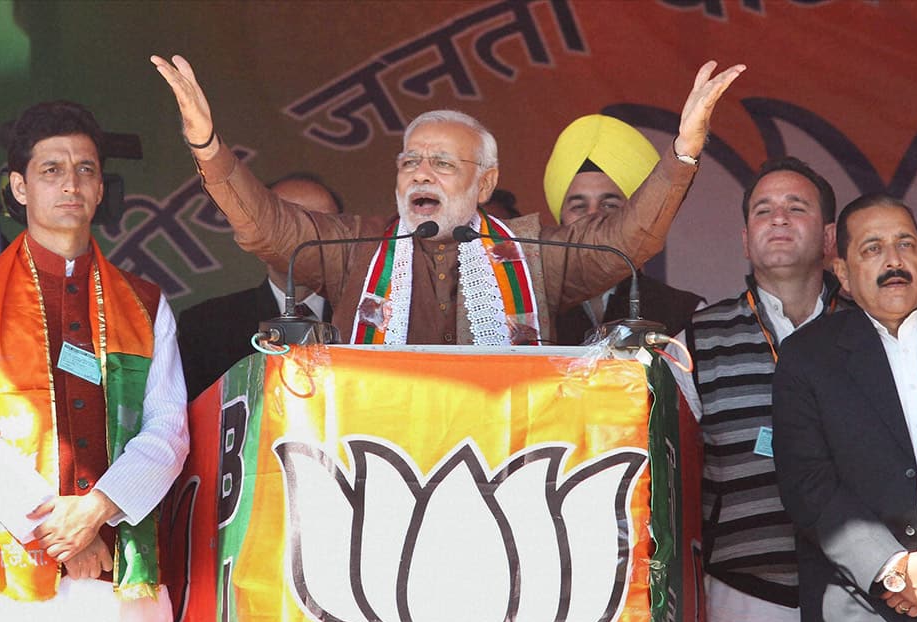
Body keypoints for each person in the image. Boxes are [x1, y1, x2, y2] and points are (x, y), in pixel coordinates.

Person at [151, 54, 745, 344]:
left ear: (484, 183)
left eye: (441, 162)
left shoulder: (534, 253)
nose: (420, 174)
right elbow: (269, 230)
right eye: (410, 161)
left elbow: (628, 239)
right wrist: (208, 147)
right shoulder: (356, 249)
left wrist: (684, 154)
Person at [0, 101, 189, 622]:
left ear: (101, 190)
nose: (70, 183)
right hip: (9, 575)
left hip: (125, 574)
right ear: (20, 188)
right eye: (51, 170)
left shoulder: (144, 303)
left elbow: (169, 430)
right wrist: (59, 534)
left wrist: (97, 509)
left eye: (86, 170)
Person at [772, 194, 917, 622]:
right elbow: (808, 483)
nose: (893, 260)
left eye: (905, 244)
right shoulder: (808, 358)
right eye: (872, 249)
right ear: (843, 274)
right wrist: (893, 568)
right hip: (858, 605)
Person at [669, 156, 844, 622]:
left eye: (796, 207)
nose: (779, 218)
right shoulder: (699, 340)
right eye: (763, 210)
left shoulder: (866, 330)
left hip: (860, 587)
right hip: (743, 592)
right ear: (746, 241)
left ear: (829, 239)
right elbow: (667, 473)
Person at [177, 172, 342, 400]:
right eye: (289, 222)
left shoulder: (372, 321)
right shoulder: (206, 326)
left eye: (323, 223)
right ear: (255, 235)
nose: (306, 235)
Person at [543, 114, 704, 343]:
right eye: (579, 207)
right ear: (560, 219)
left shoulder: (685, 311)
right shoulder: (532, 308)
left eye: (609, 205)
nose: (593, 218)